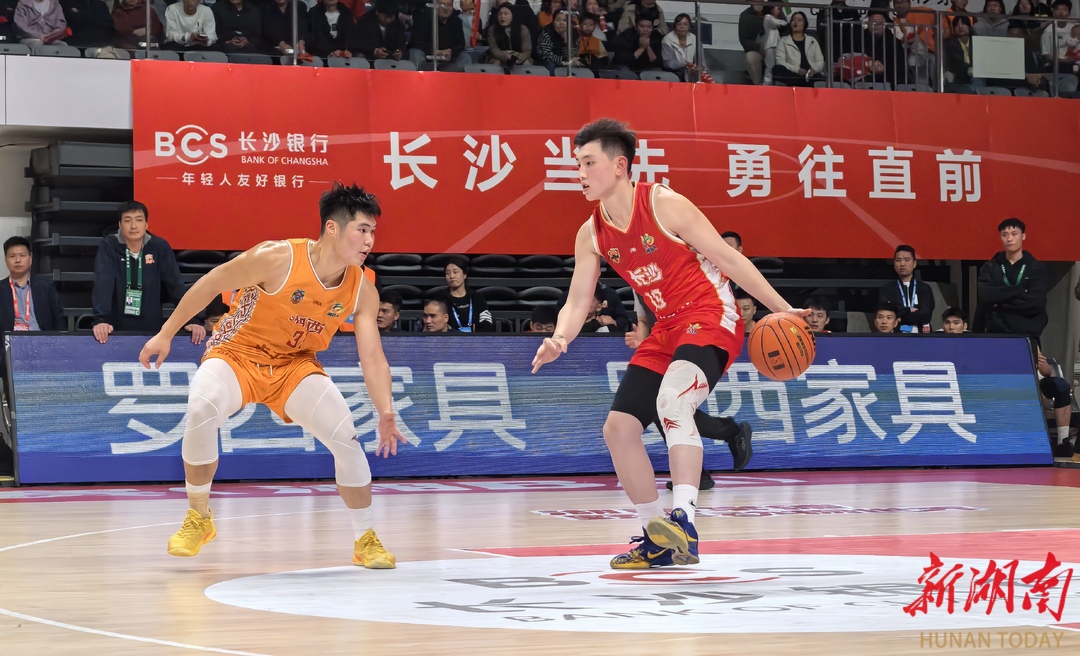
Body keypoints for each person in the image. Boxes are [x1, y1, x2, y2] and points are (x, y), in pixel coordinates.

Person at [533, 118, 804, 569]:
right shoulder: (591, 233)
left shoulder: (664, 204)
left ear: (619, 166)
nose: (579, 173)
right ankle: (657, 536)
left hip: (710, 314)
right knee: (618, 429)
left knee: (672, 401)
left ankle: (685, 521)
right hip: (666, 327)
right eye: (577, 164)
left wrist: (783, 309)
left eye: (588, 163)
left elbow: (727, 258)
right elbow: (579, 299)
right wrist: (560, 338)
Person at [138, 183, 407, 568]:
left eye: (373, 232)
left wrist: (385, 410)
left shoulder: (362, 290)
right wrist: (166, 333)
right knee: (201, 409)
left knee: (346, 437)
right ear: (332, 228)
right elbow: (211, 283)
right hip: (237, 354)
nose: (369, 240)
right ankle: (199, 516)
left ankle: (366, 539)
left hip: (294, 365)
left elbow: (373, 356)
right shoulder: (277, 257)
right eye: (362, 230)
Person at [91, 201, 206, 345]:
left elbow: (175, 286)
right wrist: (101, 320)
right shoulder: (109, 246)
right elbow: (103, 283)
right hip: (115, 329)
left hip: (152, 327)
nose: (133, 226)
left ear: (146, 224)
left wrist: (191, 319)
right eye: (127, 220)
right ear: (120, 225)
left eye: (139, 220)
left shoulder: (159, 247)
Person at [0, 236, 65, 332]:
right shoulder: (1, 289)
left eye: (22, 255)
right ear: (6, 260)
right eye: (12, 256)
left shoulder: (46, 287)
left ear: (30, 259)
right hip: (9, 340)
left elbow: (58, 320)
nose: (17, 260)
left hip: (40, 339)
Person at [877, 244, 934, 333]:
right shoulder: (886, 289)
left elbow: (926, 316)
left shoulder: (924, 288)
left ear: (914, 264)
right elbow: (887, 315)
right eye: (898, 260)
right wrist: (907, 310)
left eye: (907, 260)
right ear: (894, 264)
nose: (902, 264)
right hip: (896, 334)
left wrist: (900, 318)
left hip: (921, 334)